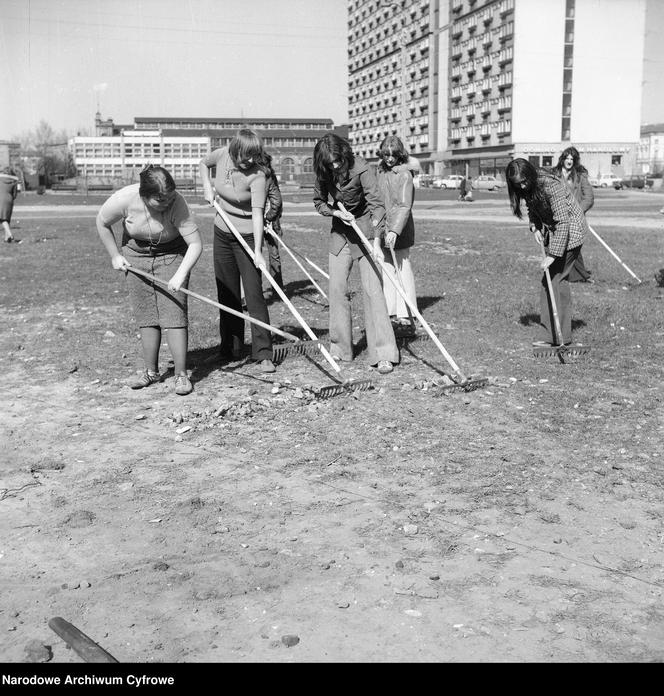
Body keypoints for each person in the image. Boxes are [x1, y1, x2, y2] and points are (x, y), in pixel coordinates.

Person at [96, 165, 202, 395]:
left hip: (173, 254)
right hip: (136, 256)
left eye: (169, 198)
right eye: (159, 200)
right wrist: (115, 256)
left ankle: (181, 375)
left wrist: (179, 274)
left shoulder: (178, 203)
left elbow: (195, 244)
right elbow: (102, 223)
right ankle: (150, 372)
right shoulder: (124, 199)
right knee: (146, 313)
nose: (166, 204)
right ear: (144, 196)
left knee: (174, 311)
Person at [313, 132, 399, 374]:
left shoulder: (362, 168)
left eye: (338, 160)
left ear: (345, 154)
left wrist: (376, 240)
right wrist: (335, 213)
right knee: (337, 288)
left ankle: (383, 353)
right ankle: (341, 349)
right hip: (340, 232)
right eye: (330, 163)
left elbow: (377, 205)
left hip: (365, 229)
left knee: (373, 290)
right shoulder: (323, 171)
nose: (336, 166)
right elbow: (319, 201)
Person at [199, 129, 276, 373]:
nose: (249, 161)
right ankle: (229, 348)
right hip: (222, 231)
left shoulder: (258, 175)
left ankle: (263, 352)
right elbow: (203, 163)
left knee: (253, 294)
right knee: (227, 292)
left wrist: (257, 249)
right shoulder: (222, 155)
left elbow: (257, 213)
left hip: (247, 235)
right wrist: (207, 188)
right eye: (245, 156)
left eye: (254, 156)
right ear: (235, 150)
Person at [505, 157, 589, 347]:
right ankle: (556, 336)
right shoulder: (526, 187)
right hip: (559, 232)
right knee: (555, 281)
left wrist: (552, 255)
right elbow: (533, 206)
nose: (524, 186)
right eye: (519, 184)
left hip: (572, 232)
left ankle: (558, 337)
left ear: (530, 174)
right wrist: (534, 227)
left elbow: (563, 221)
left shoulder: (550, 185)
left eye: (525, 181)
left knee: (554, 281)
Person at [374, 135, 417, 334]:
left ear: (399, 155)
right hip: (383, 228)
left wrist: (394, 230)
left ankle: (406, 312)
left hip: (400, 229)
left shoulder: (405, 175)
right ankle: (390, 310)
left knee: (402, 268)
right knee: (387, 268)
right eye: (386, 154)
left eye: (393, 155)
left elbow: (404, 205)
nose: (389, 159)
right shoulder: (380, 172)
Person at [552, 146, 594, 282]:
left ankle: (577, 275)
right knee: (563, 244)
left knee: (573, 245)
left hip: (575, 219)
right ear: (562, 159)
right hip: (558, 217)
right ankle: (573, 274)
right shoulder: (554, 174)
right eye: (567, 158)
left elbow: (589, 198)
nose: (569, 161)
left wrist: (577, 212)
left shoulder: (580, 176)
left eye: (572, 159)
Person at [263, 157, 284, 300]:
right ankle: (252, 293)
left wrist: (269, 218)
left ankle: (277, 290)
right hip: (257, 221)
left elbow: (276, 201)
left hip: (269, 222)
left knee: (273, 255)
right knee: (253, 255)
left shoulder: (269, 177)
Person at [0, 167, 19, 243]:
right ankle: (6, 238)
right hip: (9, 200)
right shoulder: (14, 181)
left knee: (2, 219)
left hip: (0, 199)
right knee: (7, 219)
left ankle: (11, 236)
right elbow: (15, 194)